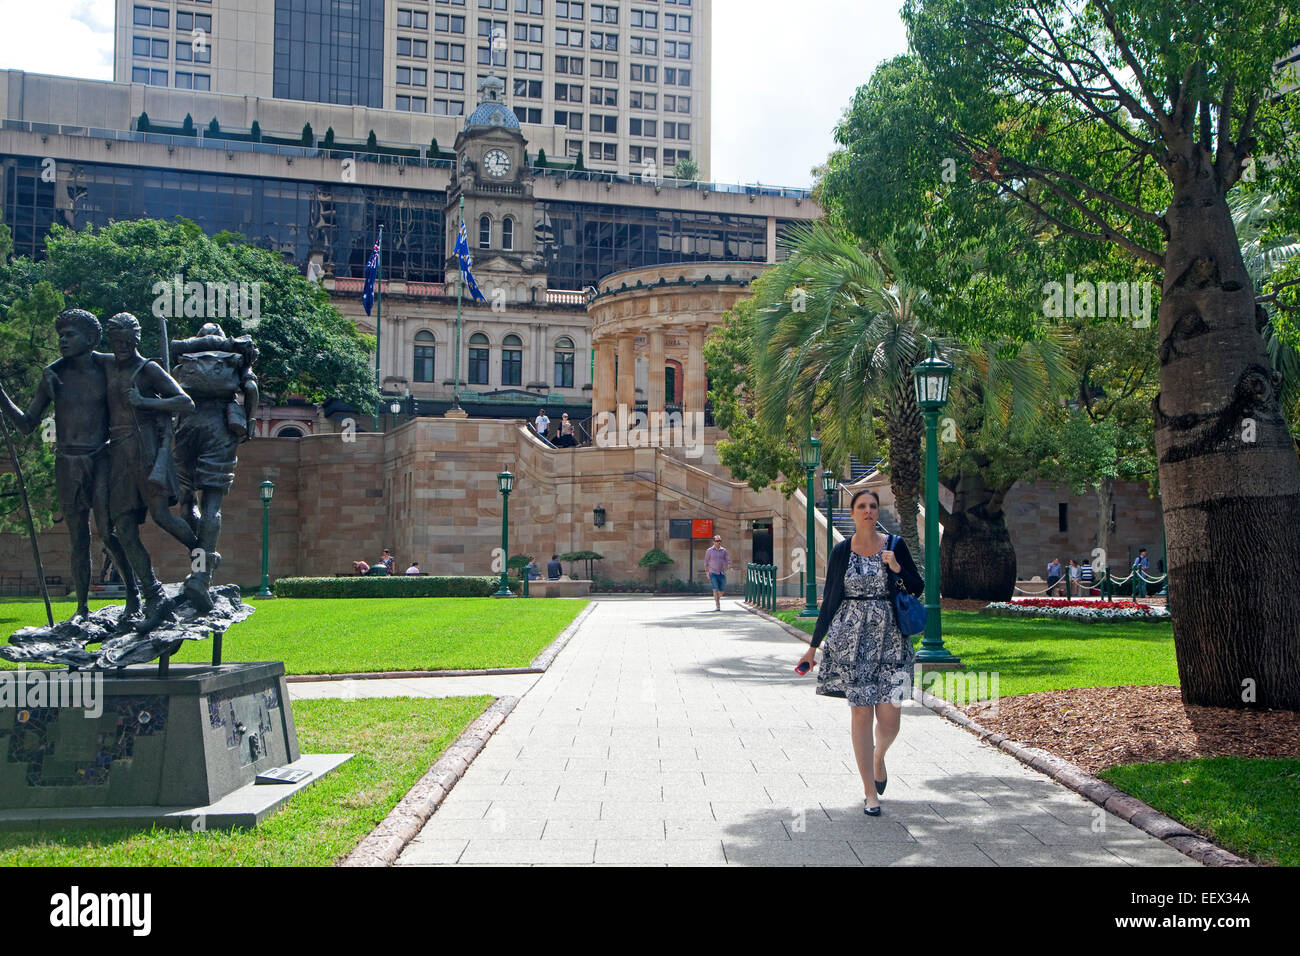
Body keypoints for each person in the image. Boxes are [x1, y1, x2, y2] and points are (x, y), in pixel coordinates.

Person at [0, 309, 138, 621]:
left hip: (101, 457)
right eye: (60, 335)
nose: (62, 340)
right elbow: (27, 425)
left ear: (90, 339)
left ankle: (134, 593)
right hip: (67, 461)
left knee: (107, 529)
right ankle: (82, 609)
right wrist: (3, 397)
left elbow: (137, 376)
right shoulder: (53, 373)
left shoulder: (108, 365)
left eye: (69, 335)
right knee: (78, 537)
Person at [796, 488, 923, 817]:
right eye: (862, 506)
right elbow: (831, 599)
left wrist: (896, 567)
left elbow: (917, 586)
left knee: (890, 719)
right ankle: (869, 791)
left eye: (873, 506)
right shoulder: (841, 551)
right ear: (852, 513)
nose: (868, 511)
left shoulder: (895, 546)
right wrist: (813, 647)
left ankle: (878, 756)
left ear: (878, 512)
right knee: (861, 713)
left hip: (891, 639)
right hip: (851, 642)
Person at [103, 312, 199, 631]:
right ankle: (152, 595)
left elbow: (185, 402)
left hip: (145, 451)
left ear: (135, 340)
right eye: (115, 341)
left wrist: (145, 401)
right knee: (123, 528)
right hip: (117, 455)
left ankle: (202, 555)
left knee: (161, 516)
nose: (120, 347)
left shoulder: (149, 369)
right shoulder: (106, 365)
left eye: (125, 342)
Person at [170, 322, 259, 612]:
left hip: (186, 426)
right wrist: (250, 423)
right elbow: (252, 388)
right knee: (212, 505)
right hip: (221, 425)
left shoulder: (186, 357)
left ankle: (200, 559)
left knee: (186, 501)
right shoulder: (234, 356)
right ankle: (201, 572)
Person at [704, 534, 730, 610]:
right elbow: (706, 562)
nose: (718, 542)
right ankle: (717, 605)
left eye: (719, 541)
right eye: (717, 541)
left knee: (721, 590)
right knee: (715, 588)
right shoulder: (709, 551)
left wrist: (729, 565)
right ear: (713, 542)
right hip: (712, 572)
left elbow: (727, 559)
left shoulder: (724, 550)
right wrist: (707, 572)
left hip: (721, 572)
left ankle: (717, 599)